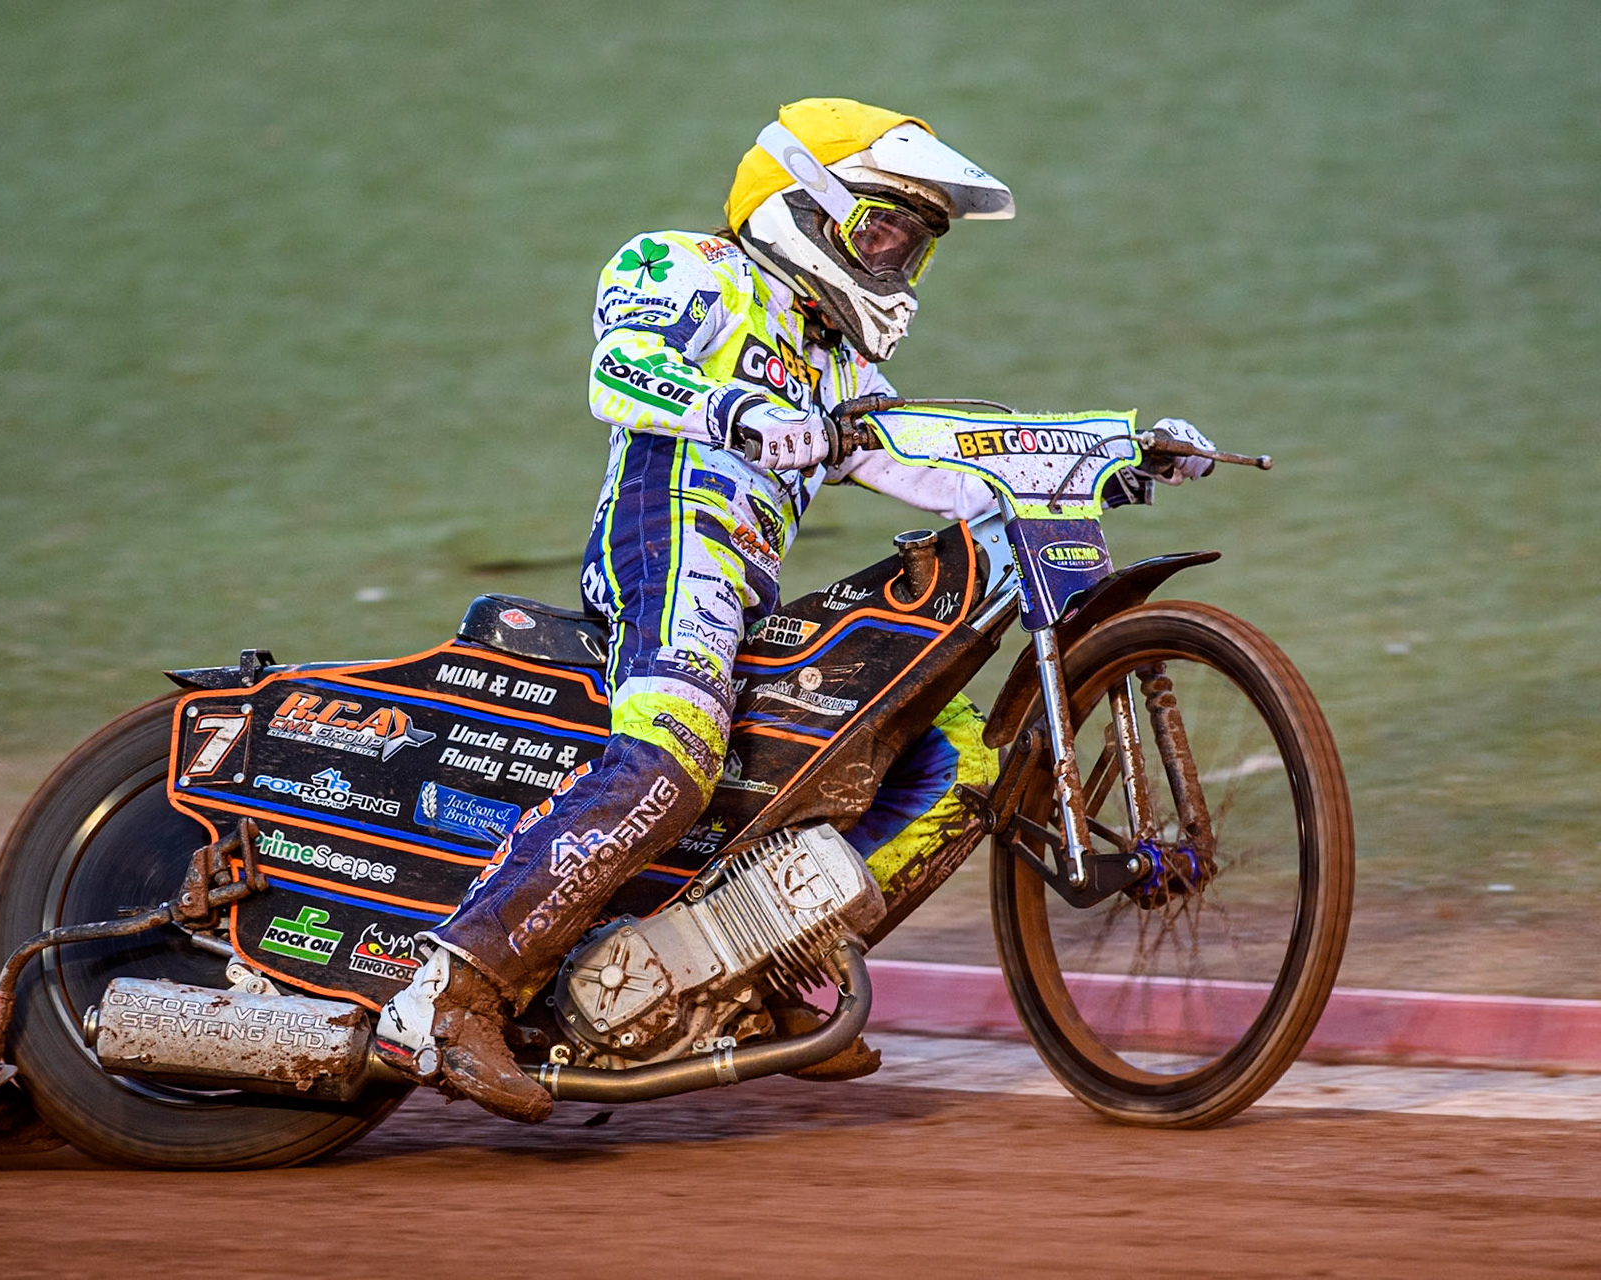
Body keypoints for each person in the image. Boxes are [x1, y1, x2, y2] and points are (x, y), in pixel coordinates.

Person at [374, 98, 1215, 1122]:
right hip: (670, 540)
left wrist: (1114, 449)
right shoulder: (685, 267)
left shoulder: (840, 363)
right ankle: (448, 992)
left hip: (747, 583)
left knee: (952, 762)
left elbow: (951, 456)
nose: (897, 258)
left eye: (914, 242)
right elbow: (618, 371)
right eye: (882, 229)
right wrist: (737, 409)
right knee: (675, 758)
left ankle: (745, 978)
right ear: (801, 207)